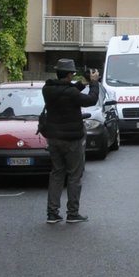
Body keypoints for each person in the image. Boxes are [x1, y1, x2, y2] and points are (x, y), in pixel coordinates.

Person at [41, 58, 99, 225]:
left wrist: (82, 83)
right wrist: (93, 83)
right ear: (68, 74)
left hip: (54, 138)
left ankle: (52, 213)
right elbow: (91, 100)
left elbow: (66, 91)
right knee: (74, 176)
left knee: (57, 174)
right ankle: (72, 213)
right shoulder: (71, 93)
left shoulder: (48, 89)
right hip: (72, 139)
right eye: (72, 74)